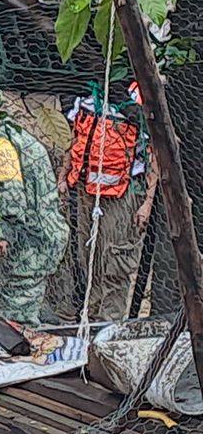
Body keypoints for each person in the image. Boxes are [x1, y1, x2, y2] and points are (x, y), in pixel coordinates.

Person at [0, 84, 69, 328]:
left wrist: (2, 236)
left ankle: (27, 359)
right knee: (5, 294)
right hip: (44, 233)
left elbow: (11, 191)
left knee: (17, 319)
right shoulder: (19, 135)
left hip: (28, 240)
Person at [59, 82, 156, 322]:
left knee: (117, 259)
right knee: (90, 253)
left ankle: (109, 320)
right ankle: (90, 315)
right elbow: (76, 139)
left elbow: (157, 154)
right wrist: (63, 176)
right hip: (87, 191)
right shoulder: (88, 94)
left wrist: (147, 203)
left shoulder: (139, 98)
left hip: (122, 194)